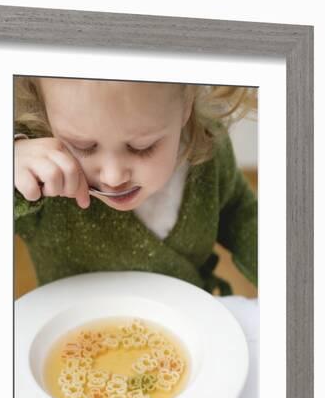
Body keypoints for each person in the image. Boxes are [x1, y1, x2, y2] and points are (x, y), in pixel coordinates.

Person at [14, 77, 257, 295]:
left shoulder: (207, 145)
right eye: (83, 146)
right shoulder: (40, 170)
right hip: (74, 340)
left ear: (186, 104)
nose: (113, 177)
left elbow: (240, 214)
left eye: (142, 146)